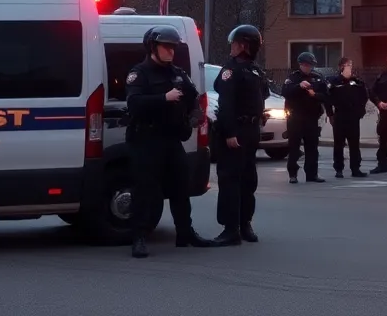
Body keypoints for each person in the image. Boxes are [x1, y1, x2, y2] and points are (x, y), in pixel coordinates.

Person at [124, 25, 213, 258]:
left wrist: (195, 115)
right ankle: (139, 238)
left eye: (173, 47)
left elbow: (195, 99)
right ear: (153, 47)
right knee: (144, 191)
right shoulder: (139, 73)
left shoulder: (177, 73)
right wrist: (165, 97)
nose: (171, 51)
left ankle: (185, 233)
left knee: (180, 188)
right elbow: (134, 103)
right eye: (166, 47)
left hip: (172, 140)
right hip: (146, 141)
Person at [210, 24, 270, 246]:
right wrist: (229, 132)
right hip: (235, 130)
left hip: (250, 132)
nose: (231, 48)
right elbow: (225, 104)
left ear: (244, 46)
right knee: (230, 180)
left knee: (248, 180)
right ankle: (230, 228)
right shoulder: (230, 70)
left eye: (235, 44)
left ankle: (245, 223)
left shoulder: (255, 70)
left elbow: (262, 96)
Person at [282, 51, 329, 184]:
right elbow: (285, 92)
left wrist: (315, 95)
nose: (308, 68)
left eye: (310, 65)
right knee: (294, 147)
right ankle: (293, 174)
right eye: (305, 65)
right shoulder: (293, 78)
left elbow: (326, 96)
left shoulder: (318, 78)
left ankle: (312, 174)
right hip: (295, 118)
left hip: (312, 118)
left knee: (312, 147)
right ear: (301, 65)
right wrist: (299, 86)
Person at [326, 57, 369, 179]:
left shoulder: (357, 82)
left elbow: (364, 96)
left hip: (353, 117)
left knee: (354, 144)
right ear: (341, 67)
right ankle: (338, 169)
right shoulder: (334, 82)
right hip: (340, 116)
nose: (349, 67)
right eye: (347, 65)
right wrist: (330, 115)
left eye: (351, 65)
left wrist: (360, 111)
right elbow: (327, 99)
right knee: (339, 144)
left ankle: (356, 168)